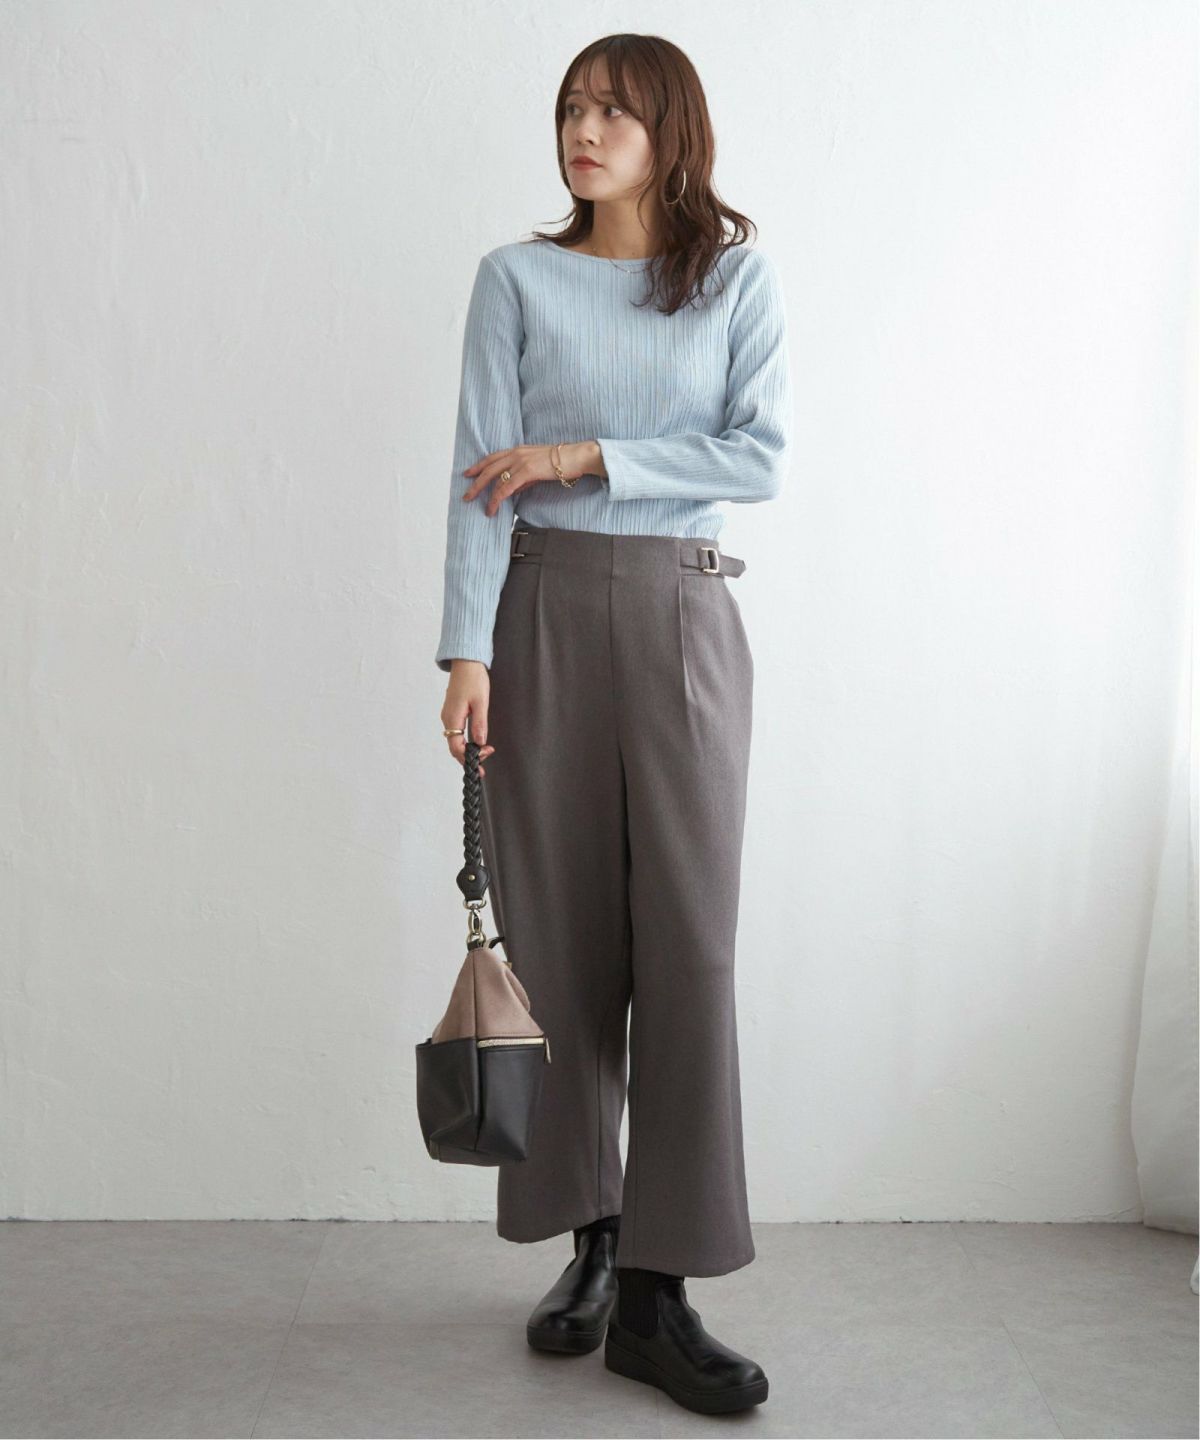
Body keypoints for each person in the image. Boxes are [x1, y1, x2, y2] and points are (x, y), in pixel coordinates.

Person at [434, 33, 792, 1418]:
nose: (584, 132)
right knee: (562, 949)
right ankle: (590, 1246)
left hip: (684, 614)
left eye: (615, 114)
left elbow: (758, 454)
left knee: (690, 950)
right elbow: (476, 472)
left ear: (669, 133)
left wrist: (587, 454)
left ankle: (661, 1288)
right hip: (539, 615)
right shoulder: (514, 279)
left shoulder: (735, 281)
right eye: (571, 109)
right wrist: (467, 651)